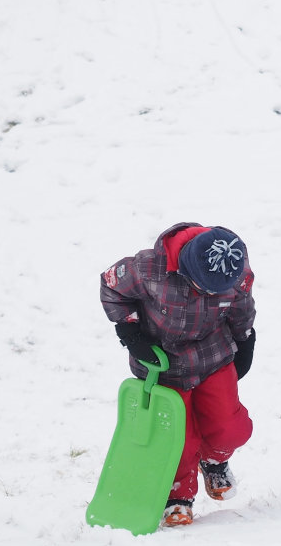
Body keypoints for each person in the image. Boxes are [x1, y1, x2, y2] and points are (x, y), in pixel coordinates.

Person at [100, 224, 256, 526]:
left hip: (213, 356)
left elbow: (242, 308)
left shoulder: (235, 270)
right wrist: (129, 331)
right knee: (179, 439)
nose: (210, 294)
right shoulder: (147, 268)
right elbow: (111, 287)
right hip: (163, 363)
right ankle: (178, 494)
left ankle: (213, 460)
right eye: (203, 287)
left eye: (216, 291)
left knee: (230, 427)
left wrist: (245, 340)